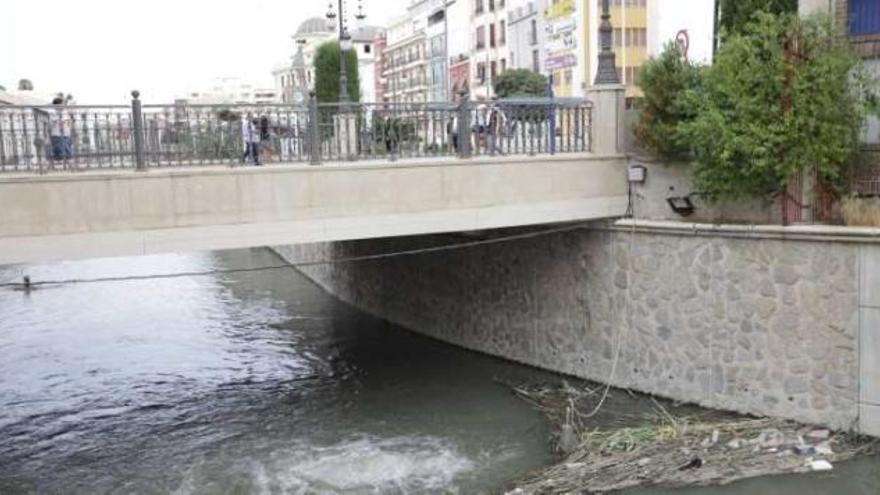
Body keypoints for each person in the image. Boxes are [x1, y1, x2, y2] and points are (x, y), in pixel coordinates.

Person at [48, 97, 73, 163]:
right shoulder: (52, 113)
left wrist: (69, 126)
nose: (63, 105)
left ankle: (67, 159)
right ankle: (59, 160)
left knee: (65, 145)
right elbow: (52, 122)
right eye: (62, 104)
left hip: (65, 133)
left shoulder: (65, 112)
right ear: (57, 105)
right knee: (57, 147)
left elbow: (68, 121)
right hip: (56, 134)